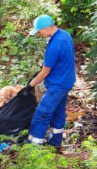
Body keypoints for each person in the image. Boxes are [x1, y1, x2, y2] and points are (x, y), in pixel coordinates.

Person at [26, 15, 75, 147]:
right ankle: (55, 143)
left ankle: (33, 147)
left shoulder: (54, 45)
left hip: (57, 86)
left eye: (39, 31)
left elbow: (45, 72)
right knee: (58, 113)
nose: (39, 34)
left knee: (41, 114)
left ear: (47, 28)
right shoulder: (65, 35)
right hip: (66, 81)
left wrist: (29, 86)